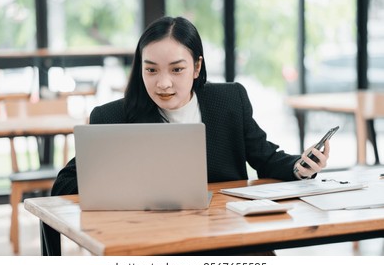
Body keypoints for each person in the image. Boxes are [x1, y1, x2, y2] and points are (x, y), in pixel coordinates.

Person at [51, 16, 330, 196]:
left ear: (196, 67)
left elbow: (266, 159)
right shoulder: (111, 117)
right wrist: (120, 180)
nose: (163, 83)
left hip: (224, 231)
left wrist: (300, 166)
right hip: (148, 238)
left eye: (176, 70)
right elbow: (63, 186)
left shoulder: (230, 101)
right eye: (151, 71)